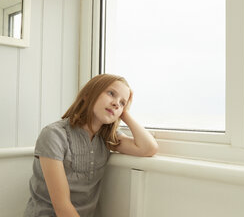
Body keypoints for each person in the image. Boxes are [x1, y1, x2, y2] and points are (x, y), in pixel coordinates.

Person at [23, 74, 158, 217]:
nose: (116, 103)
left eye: (122, 103)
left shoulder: (107, 138)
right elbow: (62, 207)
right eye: (111, 94)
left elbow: (148, 148)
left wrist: (124, 114)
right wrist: (120, 107)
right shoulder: (54, 135)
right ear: (87, 95)